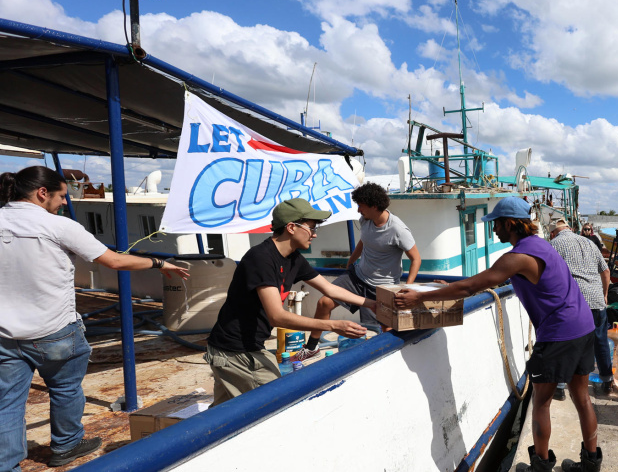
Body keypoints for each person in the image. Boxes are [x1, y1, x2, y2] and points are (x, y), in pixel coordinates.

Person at [0, 166, 189, 470]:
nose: (64, 202)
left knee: (7, 403)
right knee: (65, 389)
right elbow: (113, 261)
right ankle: (67, 445)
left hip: (5, 334)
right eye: (62, 196)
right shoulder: (59, 226)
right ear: (42, 193)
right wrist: (158, 263)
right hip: (55, 330)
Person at [395, 197, 602, 472]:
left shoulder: (516, 257)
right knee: (582, 398)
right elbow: (485, 280)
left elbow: (469, 287)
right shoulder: (542, 246)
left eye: (496, 224)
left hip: (559, 332)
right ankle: (591, 464)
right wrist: (449, 286)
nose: (493, 230)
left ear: (510, 224)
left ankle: (540, 467)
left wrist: (419, 298)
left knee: (541, 402)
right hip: (583, 324)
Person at [205, 198, 371, 406]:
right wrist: (333, 325)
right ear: (291, 227)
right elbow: (277, 316)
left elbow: (330, 289)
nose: (315, 234)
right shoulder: (261, 258)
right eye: (311, 228)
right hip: (236, 351)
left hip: (239, 348)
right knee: (276, 405)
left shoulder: (294, 259)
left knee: (222, 414)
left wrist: (372, 303)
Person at [296, 182, 421, 361]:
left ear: (374, 206)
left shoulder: (398, 230)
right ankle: (311, 348)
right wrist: (351, 261)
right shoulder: (366, 220)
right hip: (356, 276)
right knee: (324, 303)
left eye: (361, 206)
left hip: (382, 287)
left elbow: (416, 259)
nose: (358, 210)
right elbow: (364, 241)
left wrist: (407, 288)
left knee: (382, 330)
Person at [550, 219, 613, 397]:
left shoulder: (554, 245)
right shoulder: (589, 243)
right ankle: (607, 381)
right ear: (569, 229)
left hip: (573, 302)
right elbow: (606, 271)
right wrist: (604, 294)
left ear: (553, 233)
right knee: (600, 341)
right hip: (596, 301)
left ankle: (560, 387)